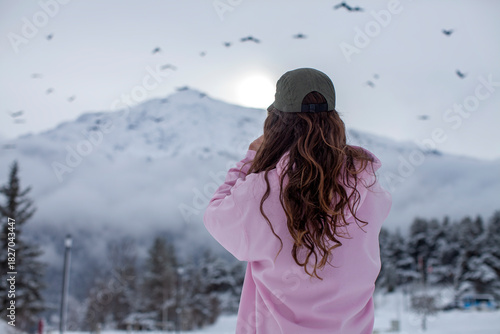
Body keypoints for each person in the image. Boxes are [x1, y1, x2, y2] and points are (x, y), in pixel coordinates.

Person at [204, 68, 392, 333]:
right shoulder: (368, 184)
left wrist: (251, 159)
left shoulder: (263, 191)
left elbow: (216, 217)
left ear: (278, 123)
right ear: (334, 119)